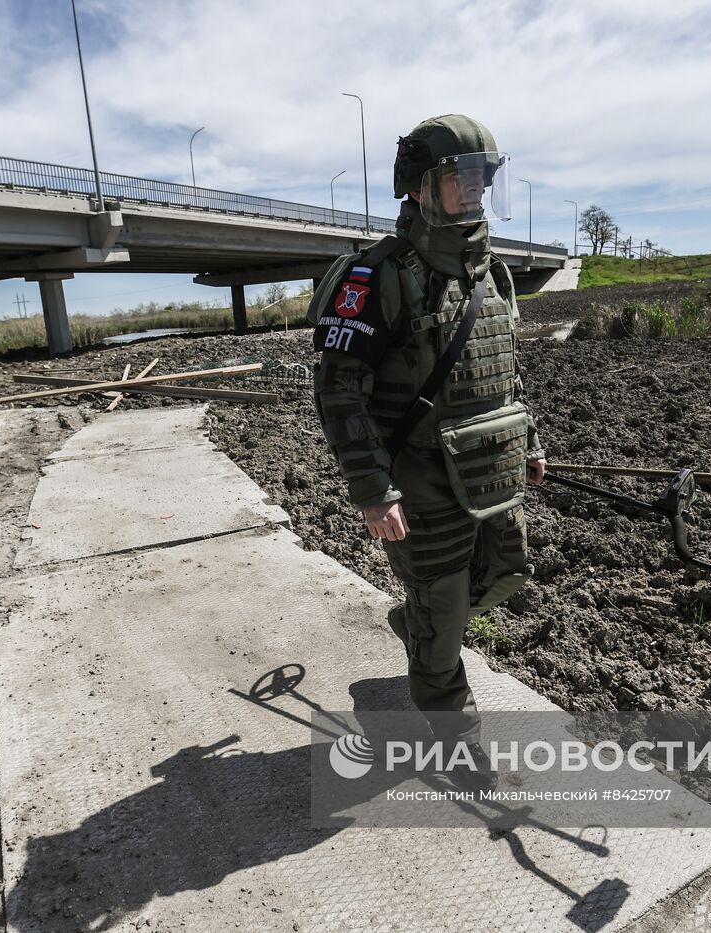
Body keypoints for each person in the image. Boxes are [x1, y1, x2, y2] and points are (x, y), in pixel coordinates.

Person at [308, 114, 547, 792]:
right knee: (443, 608)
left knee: (508, 567)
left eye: (482, 180)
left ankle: (419, 621)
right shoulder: (375, 275)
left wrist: (527, 442)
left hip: (488, 469)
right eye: (458, 180)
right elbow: (339, 391)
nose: (473, 194)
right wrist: (372, 488)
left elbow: (504, 371)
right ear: (419, 188)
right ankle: (455, 735)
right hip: (418, 477)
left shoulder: (492, 275)